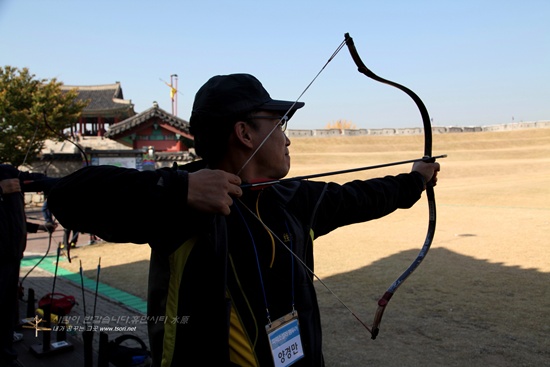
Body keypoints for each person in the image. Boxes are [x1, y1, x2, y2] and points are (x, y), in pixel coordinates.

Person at [47, 73, 440, 366]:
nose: (287, 139)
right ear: (244, 133)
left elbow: (361, 197)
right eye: (278, 125)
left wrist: (414, 181)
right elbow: (69, 197)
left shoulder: (293, 199)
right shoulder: (182, 208)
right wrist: (180, 190)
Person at [0, 165, 57, 366]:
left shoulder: (6, 172)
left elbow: (35, 182)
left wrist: (65, 183)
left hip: (12, 255)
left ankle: (7, 354)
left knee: (8, 308)